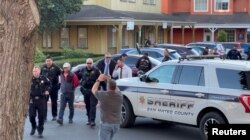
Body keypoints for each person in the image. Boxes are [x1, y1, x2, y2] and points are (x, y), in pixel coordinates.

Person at [91, 74, 123, 140]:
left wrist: (98, 80)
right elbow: (115, 87)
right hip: (116, 124)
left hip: (106, 124)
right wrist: (110, 80)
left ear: (107, 87)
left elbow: (93, 89)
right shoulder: (120, 95)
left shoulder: (103, 95)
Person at [29, 66, 51, 138]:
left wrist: (47, 90)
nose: (35, 73)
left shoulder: (43, 78)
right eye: (34, 71)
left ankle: (40, 131)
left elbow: (49, 84)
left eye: (36, 71)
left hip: (41, 100)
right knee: (32, 116)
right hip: (32, 100)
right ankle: (34, 126)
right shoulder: (29, 79)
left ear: (39, 72)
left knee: (41, 116)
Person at [78, 58, 101, 127]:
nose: (89, 64)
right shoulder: (83, 70)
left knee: (93, 106)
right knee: (87, 105)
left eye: (90, 63)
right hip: (86, 91)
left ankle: (92, 120)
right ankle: (89, 119)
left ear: (92, 63)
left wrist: (104, 88)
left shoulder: (96, 71)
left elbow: (101, 80)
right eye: (87, 63)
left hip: (94, 91)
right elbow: (79, 78)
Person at [41, 56, 61, 121]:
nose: (48, 62)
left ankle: (54, 115)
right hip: (45, 87)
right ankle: (44, 117)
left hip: (54, 86)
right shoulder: (43, 68)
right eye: (47, 61)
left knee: (54, 101)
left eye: (49, 61)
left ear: (52, 61)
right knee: (44, 102)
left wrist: (59, 84)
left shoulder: (56, 68)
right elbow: (40, 76)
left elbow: (61, 75)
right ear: (45, 61)